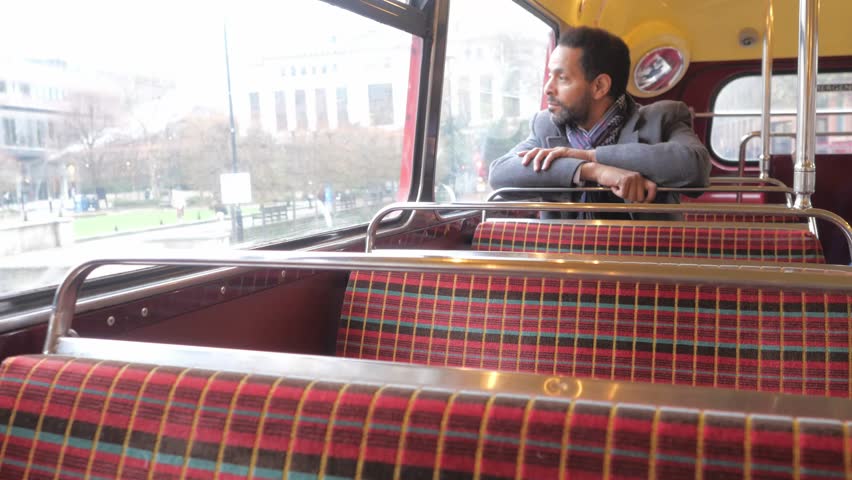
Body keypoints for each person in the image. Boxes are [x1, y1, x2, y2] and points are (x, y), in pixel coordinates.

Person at [489, 26, 711, 220]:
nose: (548, 88)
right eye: (549, 75)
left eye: (562, 78)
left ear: (599, 87)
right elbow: (500, 174)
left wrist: (590, 155)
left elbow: (695, 167)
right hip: (566, 263)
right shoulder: (546, 125)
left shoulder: (662, 118)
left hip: (642, 262)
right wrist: (593, 171)